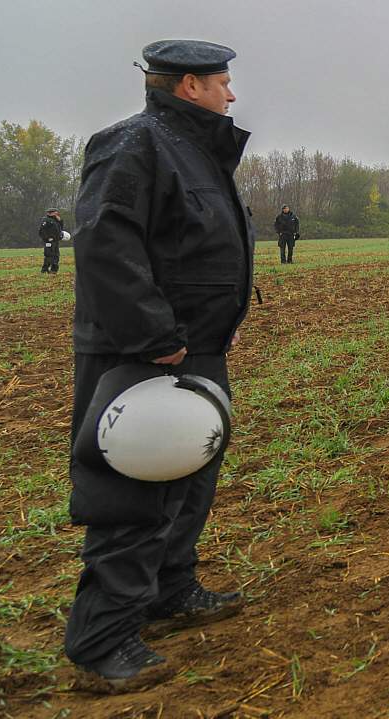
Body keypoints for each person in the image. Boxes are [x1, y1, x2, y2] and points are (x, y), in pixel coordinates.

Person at [65, 39, 251, 694]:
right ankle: (102, 640)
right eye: (223, 82)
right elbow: (105, 241)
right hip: (145, 350)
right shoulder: (133, 144)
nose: (232, 94)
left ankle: (171, 588)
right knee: (135, 487)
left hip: (196, 347)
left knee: (189, 472)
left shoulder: (194, 149)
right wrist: (151, 332)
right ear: (190, 85)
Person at [39, 208, 63, 273]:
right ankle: (44, 270)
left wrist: (60, 221)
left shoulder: (56, 220)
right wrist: (47, 238)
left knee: (56, 255)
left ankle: (54, 270)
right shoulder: (46, 220)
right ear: (51, 213)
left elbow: (60, 229)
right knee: (49, 255)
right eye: (55, 212)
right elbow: (42, 231)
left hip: (56, 240)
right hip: (49, 241)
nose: (57, 213)